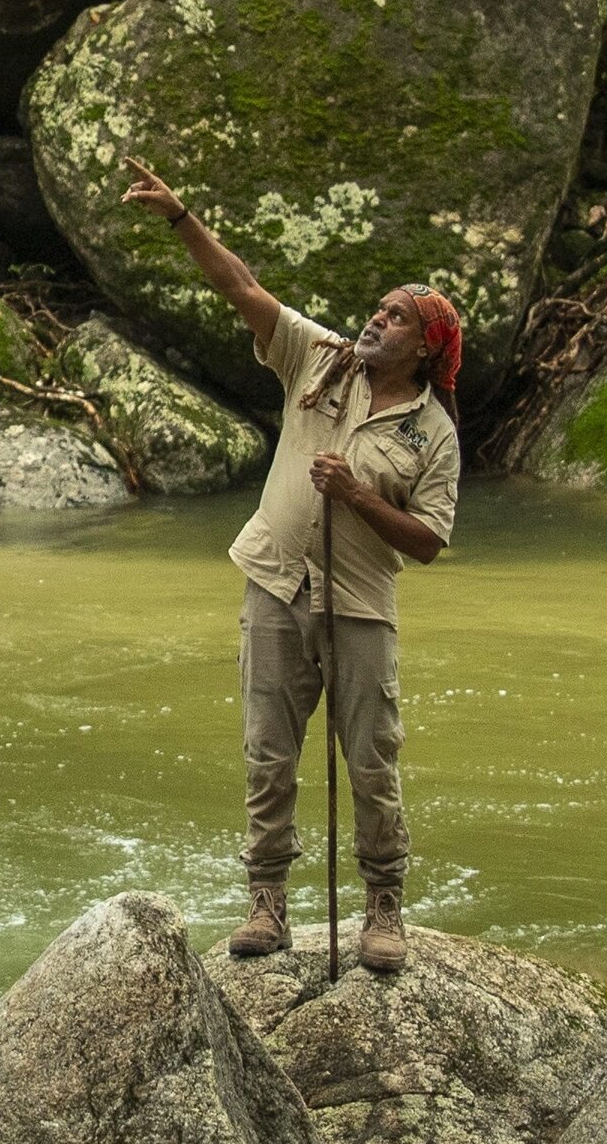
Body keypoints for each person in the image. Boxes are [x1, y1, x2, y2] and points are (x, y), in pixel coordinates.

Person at [117, 157, 464, 976]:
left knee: (370, 760)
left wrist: (355, 495)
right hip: (275, 583)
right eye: (377, 310)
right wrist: (180, 217)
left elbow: (427, 542)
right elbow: (241, 288)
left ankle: (384, 907)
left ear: (424, 347)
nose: (374, 322)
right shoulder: (320, 362)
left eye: (395, 319)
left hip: (359, 604)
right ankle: (266, 901)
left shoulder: (433, 434)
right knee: (267, 753)